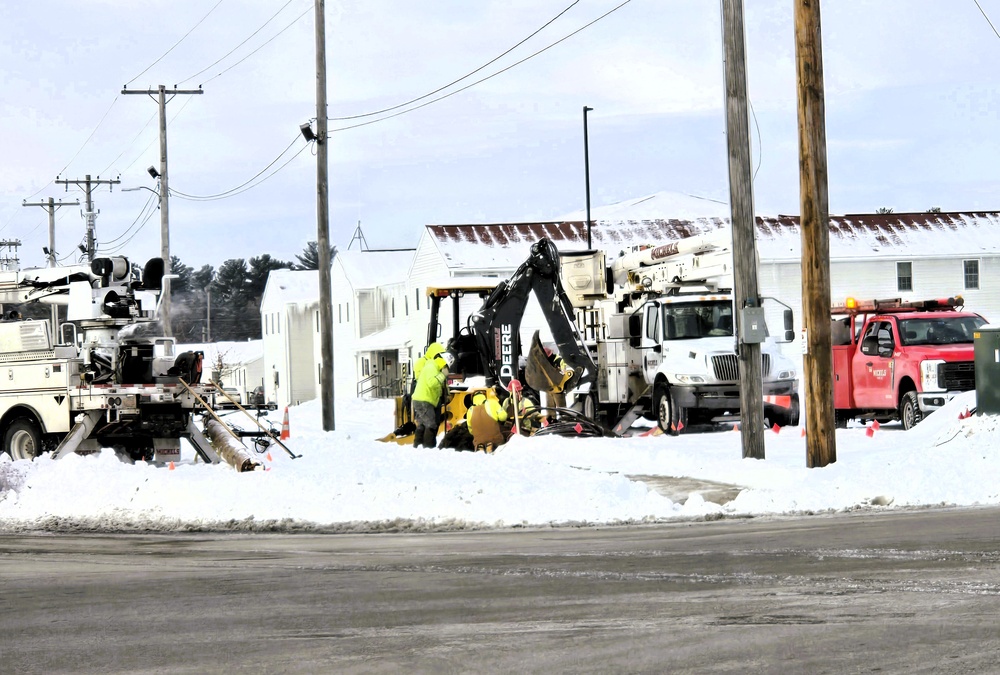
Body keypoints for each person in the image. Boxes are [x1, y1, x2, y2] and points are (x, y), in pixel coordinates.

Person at [412, 350, 453, 449]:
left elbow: (437, 387)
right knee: (431, 424)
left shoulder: (433, 366)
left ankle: (418, 446)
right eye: (447, 367)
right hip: (424, 400)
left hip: (422, 400)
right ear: (444, 363)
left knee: (422, 424)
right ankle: (428, 448)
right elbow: (432, 383)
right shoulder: (432, 367)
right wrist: (443, 375)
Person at [466, 388, 509, 453]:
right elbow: (503, 417)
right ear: (484, 396)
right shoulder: (492, 403)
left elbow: (471, 431)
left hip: (478, 441)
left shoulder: (470, 410)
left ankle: (480, 447)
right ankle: (491, 446)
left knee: (478, 441)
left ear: (473, 399)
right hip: (496, 439)